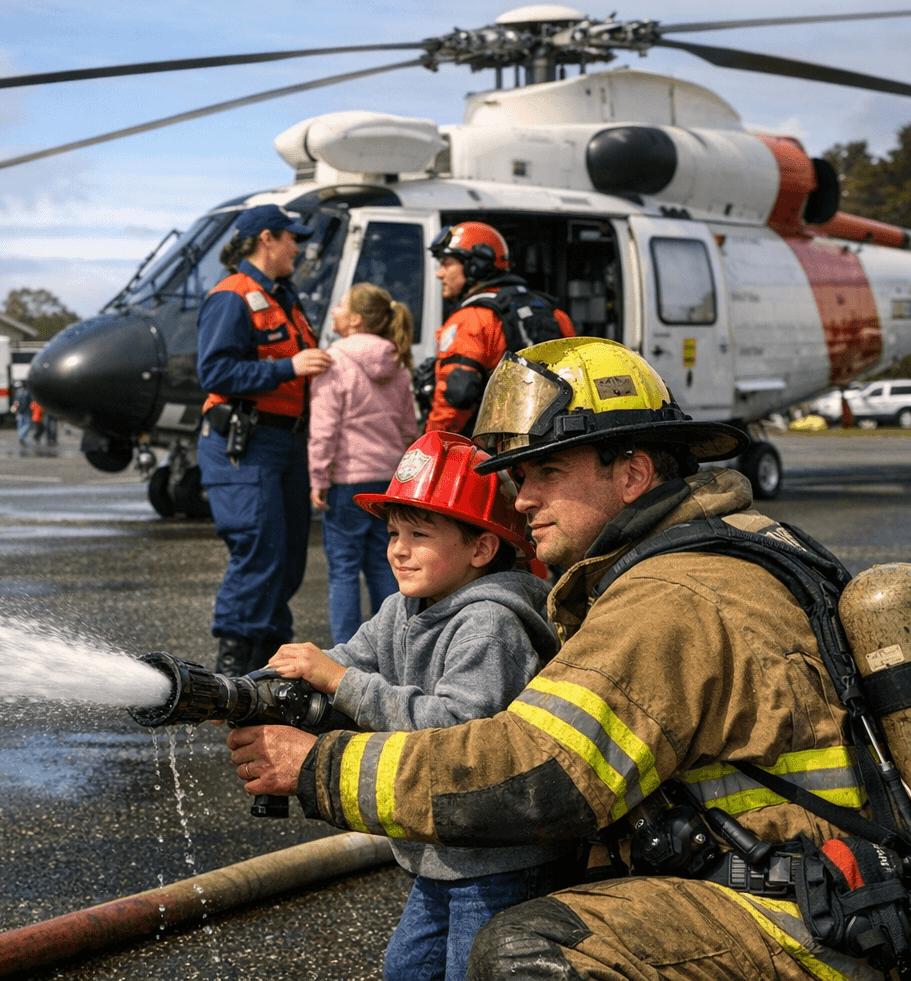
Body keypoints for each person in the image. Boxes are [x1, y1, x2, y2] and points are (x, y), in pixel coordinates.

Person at [225, 336, 905, 981]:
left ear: (633, 473)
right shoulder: (739, 544)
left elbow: (531, 775)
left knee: (530, 949)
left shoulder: (670, 597)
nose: (522, 499)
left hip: (802, 925)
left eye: (548, 472)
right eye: (521, 476)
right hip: (831, 889)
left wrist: (318, 767)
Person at [271, 430, 568, 981]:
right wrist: (247, 691)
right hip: (440, 851)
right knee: (406, 970)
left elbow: (456, 730)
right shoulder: (403, 609)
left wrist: (343, 683)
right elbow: (341, 659)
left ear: (482, 548)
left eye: (419, 534)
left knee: (471, 971)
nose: (398, 550)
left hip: (502, 860)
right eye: (393, 533)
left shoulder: (491, 623)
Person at [197, 205, 331, 675]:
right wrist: (286, 368)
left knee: (288, 558)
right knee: (260, 552)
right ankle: (232, 672)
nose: (298, 247)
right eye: (292, 238)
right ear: (267, 239)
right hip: (247, 442)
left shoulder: (284, 298)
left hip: (285, 442)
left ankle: (268, 670)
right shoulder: (232, 295)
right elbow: (214, 371)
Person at [307, 283, 420, 643]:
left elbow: (324, 430)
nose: (335, 311)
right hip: (388, 481)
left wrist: (318, 478)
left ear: (356, 320)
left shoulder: (334, 362)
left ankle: (346, 650)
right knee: (384, 565)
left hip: (348, 481)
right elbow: (409, 430)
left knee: (343, 571)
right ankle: (394, 645)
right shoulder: (397, 364)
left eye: (341, 306)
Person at [423, 222, 573, 436]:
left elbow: (457, 397)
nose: (439, 273)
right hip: (552, 441)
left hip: (492, 447)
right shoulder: (554, 312)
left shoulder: (471, 318)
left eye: (446, 263)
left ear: (475, 266)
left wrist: (431, 441)